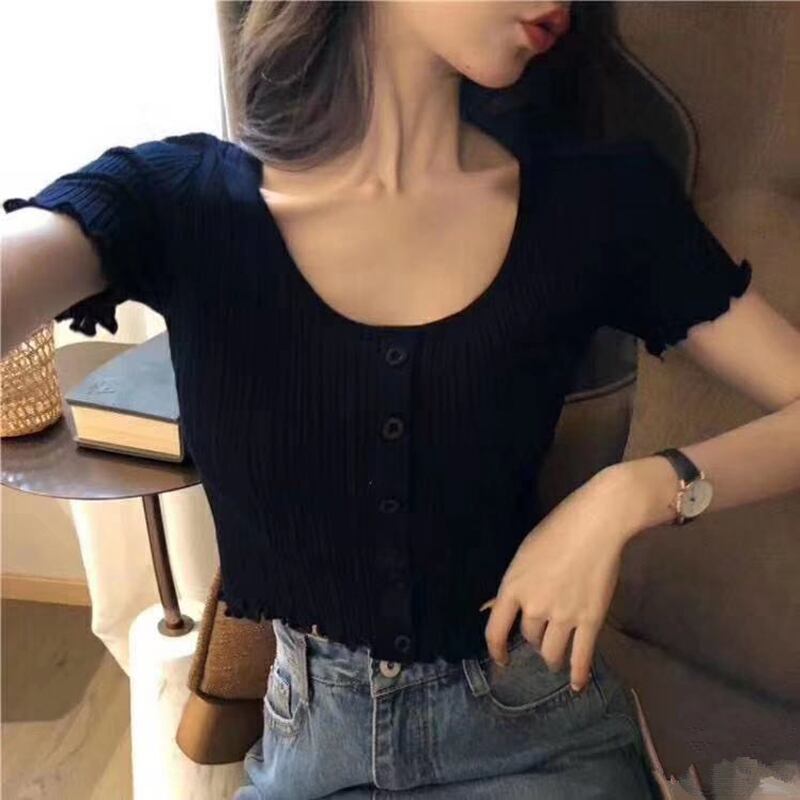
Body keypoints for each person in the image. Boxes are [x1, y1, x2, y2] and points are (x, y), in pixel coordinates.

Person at [3, 2, 800, 798]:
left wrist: (634, 492)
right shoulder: (177, 203)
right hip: (306, 753)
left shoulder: (597, 202)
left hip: (533, 744)